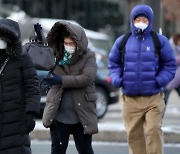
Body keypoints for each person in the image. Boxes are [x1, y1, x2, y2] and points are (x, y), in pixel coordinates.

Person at [108, 4, 176, 154]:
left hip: (153, 97)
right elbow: (113, 63)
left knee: (153, 130)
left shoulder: (160, 41)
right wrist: (116, 78)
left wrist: (159, 80)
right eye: (137, 19)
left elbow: (170, 65)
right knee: (134, 136)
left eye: (144, 19)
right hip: (130, 98)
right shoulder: (123, 41)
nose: (141, 22)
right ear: (132, 20)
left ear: (150, 21)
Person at [42, 21, 98, 154]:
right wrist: (40, 39)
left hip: (81, 115)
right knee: (57, 150)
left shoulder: (88, 56)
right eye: (66, 43)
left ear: (78, 43)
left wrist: (60, 80)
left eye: (71, 43)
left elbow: (87, 78)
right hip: (59, 114)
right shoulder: (56, 55)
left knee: (85, 150)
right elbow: (40, 58)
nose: (68, 46)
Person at [0, 18, 40, 154]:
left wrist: (31, 113)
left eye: (4, 37)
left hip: (16, 120)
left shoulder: (22, 58)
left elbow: (33, 87)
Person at [164, 34, 180, 105]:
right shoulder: (170, 48)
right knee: (164, 98)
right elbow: (171, 61)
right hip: (170, 77)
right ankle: (160, 113)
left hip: (178, 78)